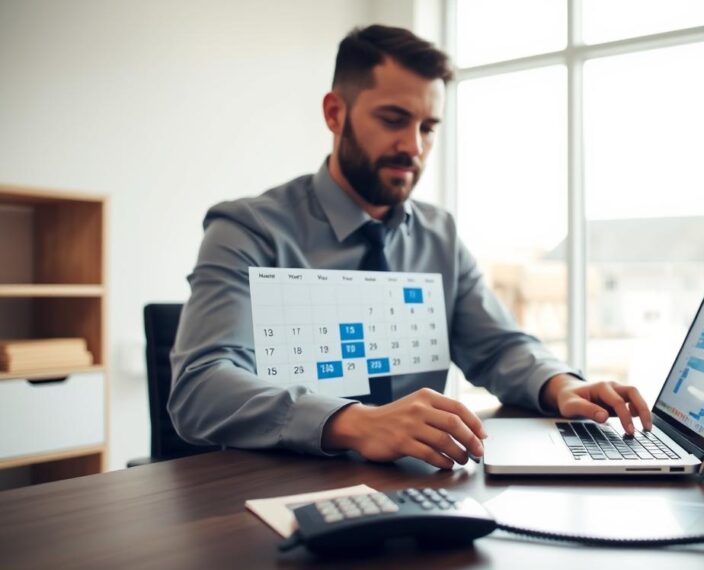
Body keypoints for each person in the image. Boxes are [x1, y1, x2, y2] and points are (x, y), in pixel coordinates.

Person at [169, 24, 652, 470]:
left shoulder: (438, 234)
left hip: (415, 489)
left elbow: (498, 346)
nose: (414, 147)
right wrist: (356, 423)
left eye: (427, 127)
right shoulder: (248, 229)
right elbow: (200, 387)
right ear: (335, 114)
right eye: (394, 119)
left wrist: (562, 384)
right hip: (273, 495)